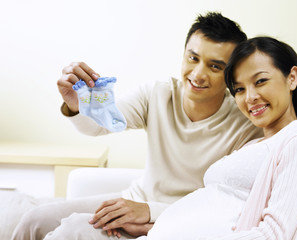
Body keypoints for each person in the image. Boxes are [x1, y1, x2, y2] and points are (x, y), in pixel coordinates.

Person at [12, 12, 262, 240]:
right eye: (193, 58)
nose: (197, 74)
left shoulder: (244, 123)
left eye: (215, 66)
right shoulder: (159, 93)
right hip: (133, 200)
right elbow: (100, 125)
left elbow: (226, 204)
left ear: (231, 74)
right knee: (35, 219)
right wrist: (78, 105)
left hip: (175, 220)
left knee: (71, 231)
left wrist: (151, 212)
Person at [140, 36, 297, 240]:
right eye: (239, 89)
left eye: (260, 81)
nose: (250, 97)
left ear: (292, 78)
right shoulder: (254, 144)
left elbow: (272, 235)